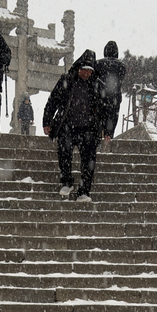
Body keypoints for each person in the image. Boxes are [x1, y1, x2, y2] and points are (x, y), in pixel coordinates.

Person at [43, 49, 106, 204]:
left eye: (89, 71)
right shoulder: (67, 80)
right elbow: (53, 101)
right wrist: (47, 121)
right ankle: (67, 182)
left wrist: (106, 129)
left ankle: (84, 192)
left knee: (89, 160)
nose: (86, 74)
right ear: (79, 68)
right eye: (84, 70)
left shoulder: (98, 85)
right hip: (67, 125)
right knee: (64, 153)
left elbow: (105, 109)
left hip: (89, 129)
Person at [96, 41, 126, 140]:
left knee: (98, 117)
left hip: (99, 96)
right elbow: (121, 79)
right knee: (112, 118)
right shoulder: (121, 66)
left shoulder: (98, 64)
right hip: (114, 98)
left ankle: (98, 135)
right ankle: (108, 136)